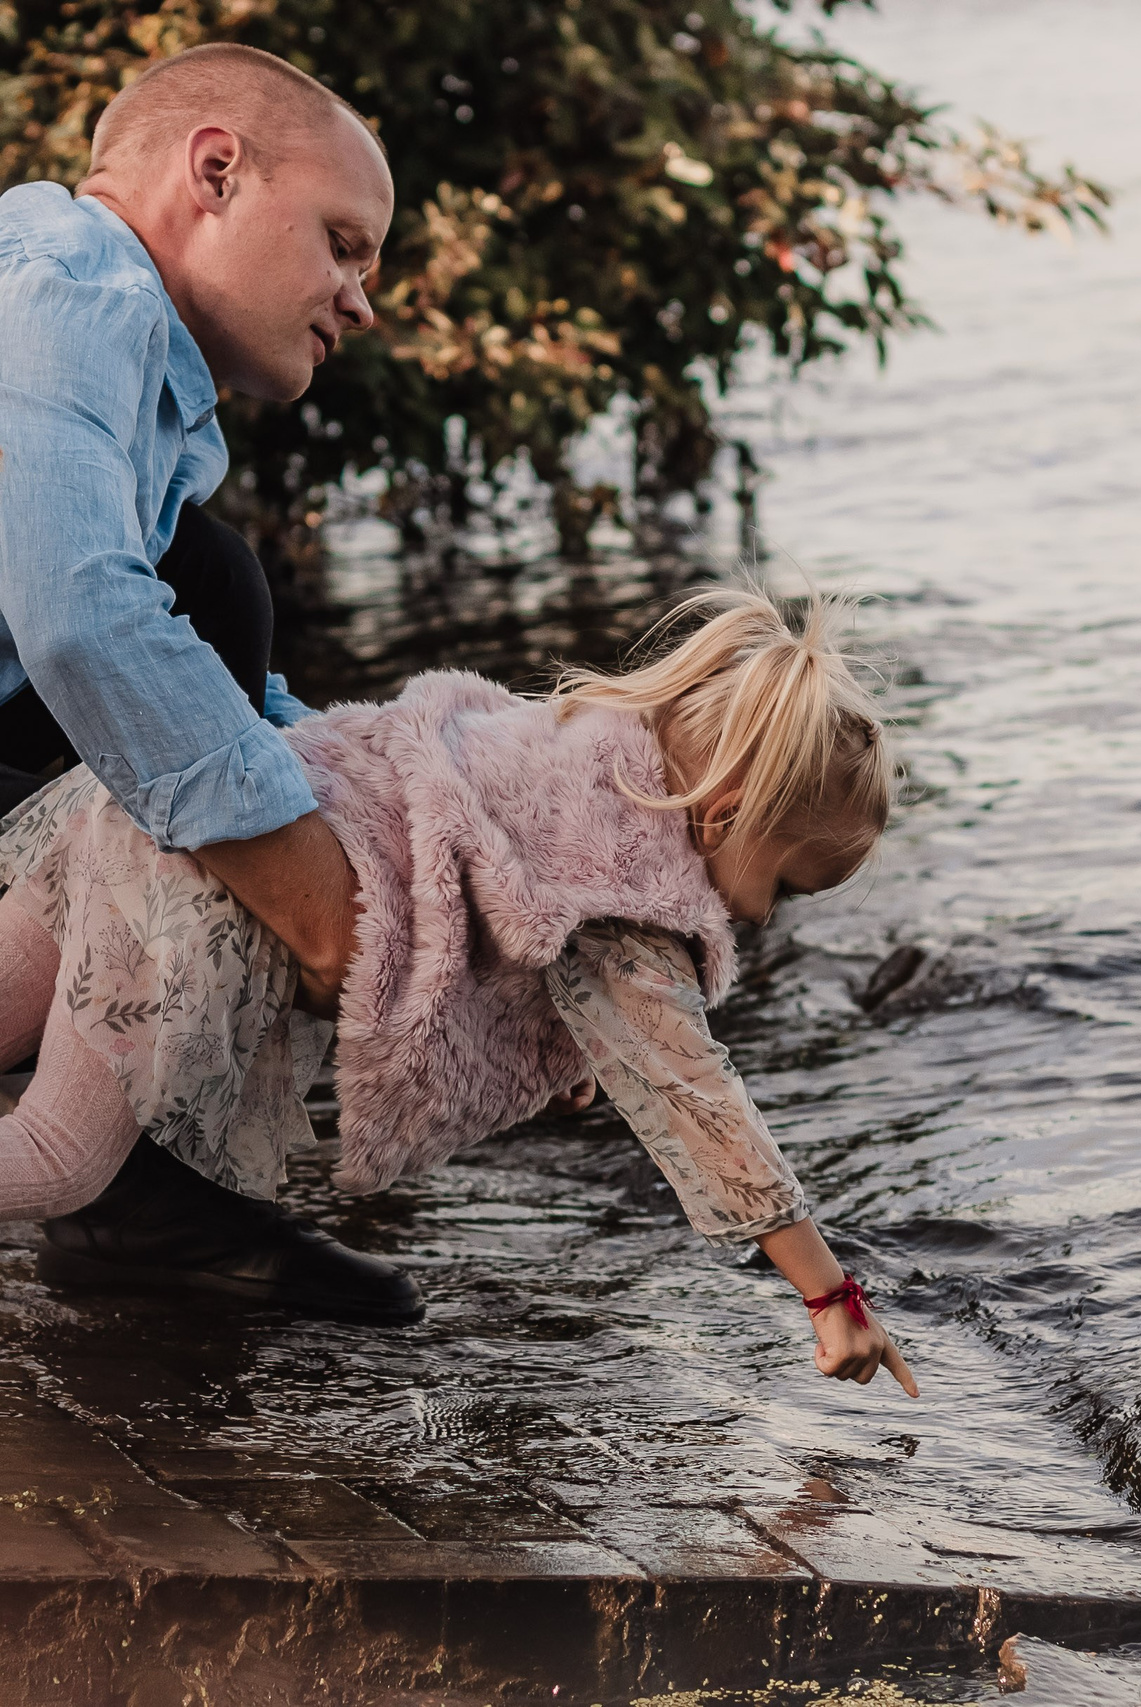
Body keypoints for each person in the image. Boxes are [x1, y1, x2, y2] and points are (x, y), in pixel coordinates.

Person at [0, 584, 921, 1392]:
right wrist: (828, 1291)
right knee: (60, 1159)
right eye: (788, 887)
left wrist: (550, 1036)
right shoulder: (632, 886)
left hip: (154, 803)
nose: (765, 920)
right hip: (195, 885)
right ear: (725, 814)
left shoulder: (580, 753)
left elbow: (495, 910)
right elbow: (692, 1095)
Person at [0, 45, 385, 1312]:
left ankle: (133, 1190)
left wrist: (420, 851)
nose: (361, 298)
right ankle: (125, 1192)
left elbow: (229, 705)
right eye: (341, 242)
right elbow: (80, 622)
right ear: (214, 169)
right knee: (199, 596)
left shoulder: (101, 327)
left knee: (208, 595)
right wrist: (320, 900)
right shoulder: (71, 297)